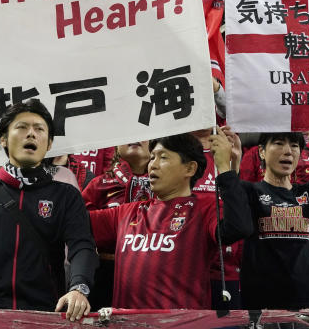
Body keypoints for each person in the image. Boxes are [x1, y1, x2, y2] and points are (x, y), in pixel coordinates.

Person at [0, 99, 97, 319]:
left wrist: (78, 288)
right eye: (21, 127)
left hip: (46, 314)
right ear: (4, 139)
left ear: (48, 144)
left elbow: (82, 246)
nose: (31, 134)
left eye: (39, 129)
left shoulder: (66, 195)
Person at [88, 132, 252, 310]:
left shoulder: (204, 209)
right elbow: (75, 223)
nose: (153, 165)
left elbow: (239, 227)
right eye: (152, 158)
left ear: (189, 169)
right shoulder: (127, 213)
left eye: (163, 157)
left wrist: (225, 169)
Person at [238, 132, 309, 310]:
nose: (287, 151)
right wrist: (231, 163)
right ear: (261, 152)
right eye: (279, 143)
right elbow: (234, 224)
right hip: (262, 305)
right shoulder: (249, 191)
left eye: (294, 146)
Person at [80, 141, 151, 308]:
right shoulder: (98, 184)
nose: (136, 137)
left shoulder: (168, 185)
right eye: (130, 133)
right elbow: (81, 228)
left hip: (153, 273)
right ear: (116, 147)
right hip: (106, 276)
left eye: (144, 134)